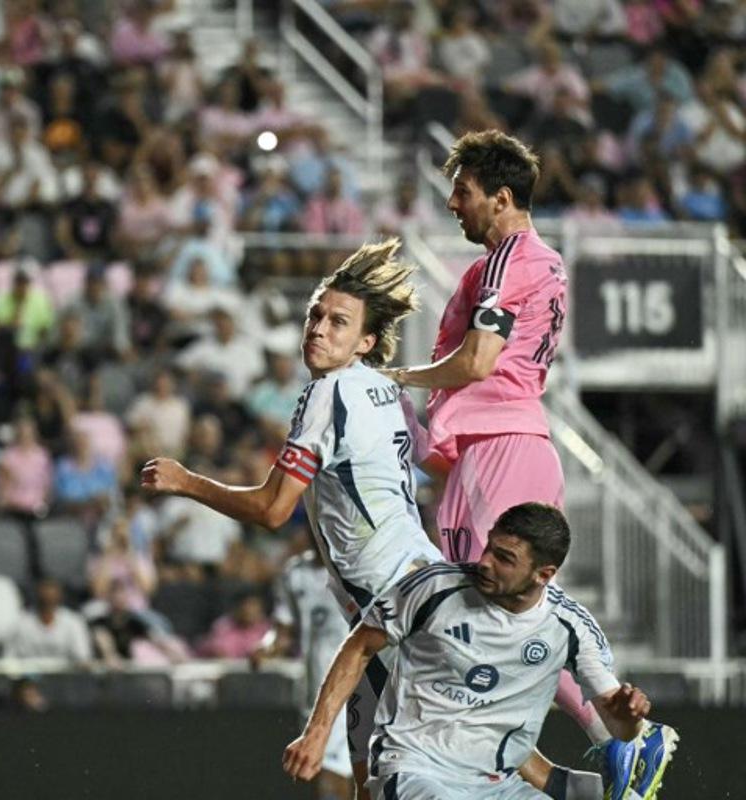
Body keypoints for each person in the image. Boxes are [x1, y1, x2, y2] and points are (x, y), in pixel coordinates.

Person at [142, 239, 439, 793]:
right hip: (419, 586)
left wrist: (187, 482)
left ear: (366, 342)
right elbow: (432, 461)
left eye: (338, 322)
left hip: (390, 604)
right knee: (375, 777)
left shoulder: (326, 393)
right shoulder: (387, 390)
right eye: (315, 316)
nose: (318, 329)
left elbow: (272, 508)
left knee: (404, 780)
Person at [384, 132, 615, 771]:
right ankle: (577, 755)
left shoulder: (513, 260)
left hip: (503, 450)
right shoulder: (522, 262)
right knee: (491, 611)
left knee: (493, 602)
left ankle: (617, 735)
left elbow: (479, 362)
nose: (452, 204)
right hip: (498, 446)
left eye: (463, 191)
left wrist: (397, 378)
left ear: (502, 197)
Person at [282, 504, 678, 800]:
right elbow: (359, 646)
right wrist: (316, 734)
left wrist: (628, 720)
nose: (485, 562)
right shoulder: (434, 588)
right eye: (490, 546)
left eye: (504, 558)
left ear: (544, 574)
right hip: (415, 770)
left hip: (499, 785)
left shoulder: (570, 628)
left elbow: (619, 728)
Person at [252, 544, 357, 800]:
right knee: (326, 771)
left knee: (355, 774)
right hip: (318, 687)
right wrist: (268, 647)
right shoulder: (295, 572)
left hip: (360, 682)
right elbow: (283, 628)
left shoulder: (358, 566)